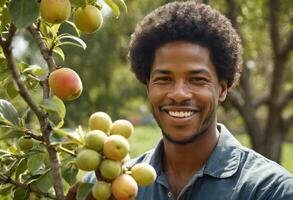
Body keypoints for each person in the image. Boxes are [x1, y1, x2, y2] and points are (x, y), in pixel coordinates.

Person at [67, 1, 293, 199]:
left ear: (222, 89)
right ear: (148, 87)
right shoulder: (107, 186)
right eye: (164, 79)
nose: (178, 94)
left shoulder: (271, 190)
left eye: (196, 80)